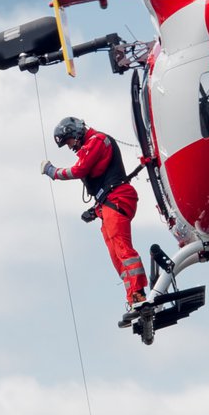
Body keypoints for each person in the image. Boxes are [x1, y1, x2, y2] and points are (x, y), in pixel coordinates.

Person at [42, 116, 148, 309]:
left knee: (123, 249)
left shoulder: (97, 140)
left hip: (117, 199)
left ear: (76, 133)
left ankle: (139, 293)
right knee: (116, 255)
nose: (70, 146)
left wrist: (53, 172)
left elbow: (79, 170)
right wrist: (94, 209)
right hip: (107, 203)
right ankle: (132, 297)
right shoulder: (88, 147)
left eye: (69, 141)